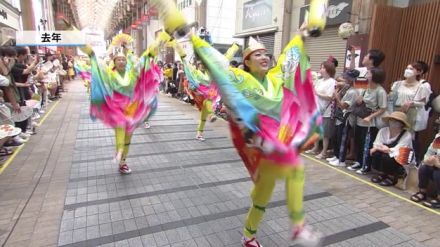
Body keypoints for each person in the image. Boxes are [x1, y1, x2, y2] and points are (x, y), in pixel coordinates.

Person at [190, 27, 322, 247]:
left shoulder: (277, 76)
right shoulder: (239, 77)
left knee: (267, 190)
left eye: (266, 54)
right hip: (255, 141)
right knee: (287, 173)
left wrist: (302, 35)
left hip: (277, 140)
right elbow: (218, 64)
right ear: (247, 62)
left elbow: (291, 55)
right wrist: (192, 38)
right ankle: (293, 227)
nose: (264, 57)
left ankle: (250, 235)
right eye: (257, 54)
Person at [77, 29, 165, 174]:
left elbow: (146, 57)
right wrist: (76, 37)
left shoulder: (132, 72)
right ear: (114, 62)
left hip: (131, 109)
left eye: (123, 59)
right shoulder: (109, 74)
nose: (122, 61)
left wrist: (164, 36)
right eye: (118, 59)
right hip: (116, 109)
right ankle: (119, 154)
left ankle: (123, 159)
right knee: (120, 132)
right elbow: (93, 56)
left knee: (128, 136)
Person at [389, 62, 431, 164]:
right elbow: (391, 98)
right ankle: (390, 163)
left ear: (419, 72)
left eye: (411, 69)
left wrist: (412, 103)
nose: (407, 70)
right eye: (407, 68)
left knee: (407, 138)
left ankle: (404, 165)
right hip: (396, 111)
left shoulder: (423, 86)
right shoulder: (397, 84)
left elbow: (423, 103)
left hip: (411, 113)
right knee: (393, 136)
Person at [347, 67, 387, 174]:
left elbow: (383, 108)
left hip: (370, 122)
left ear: (374, 76)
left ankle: (366, 165)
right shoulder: (366, 87)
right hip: (361, 119)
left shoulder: (380, 91)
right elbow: (360, 100)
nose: (366, 74)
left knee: (367, 144)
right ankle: (359, 162)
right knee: (359, 142)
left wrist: (370, 117)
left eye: (369, 73)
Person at [370, 111, 412, 186]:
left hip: (401, 158)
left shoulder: (407, 135)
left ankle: (392, 177)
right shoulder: (383, 131)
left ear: (402, 124)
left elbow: (399, 150)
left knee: (388, 157)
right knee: (376, 153)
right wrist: (380, 148)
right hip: (386, 152)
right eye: (391, 120)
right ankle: (382, 174)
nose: (393, 122)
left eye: (396, 121)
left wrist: (386, 149)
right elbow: (376, 144)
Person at [328, 69, 359, 167]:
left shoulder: (353, 92)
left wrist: (337, 95)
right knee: (335, 137)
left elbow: (343, 105)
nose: (344, 78)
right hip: (339, 117)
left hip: (346, 118)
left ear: (351, 79)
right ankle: (337, 156)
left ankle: (341, 160)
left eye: (346, 77)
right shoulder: (347, 88)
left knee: (342, 139)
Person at [410, 134, 440, 208]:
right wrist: (428, 160)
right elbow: (429, 153)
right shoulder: (438, 138)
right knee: (424, 168)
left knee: (438, 173)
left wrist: (437, 164)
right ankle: (422, 192)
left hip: (438, 165)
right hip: (436, 163)